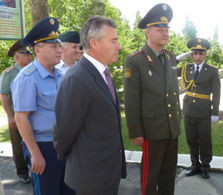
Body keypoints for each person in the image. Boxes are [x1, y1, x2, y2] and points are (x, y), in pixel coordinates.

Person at [53, 16, 126, 195]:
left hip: (107, 173)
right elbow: (63, 132)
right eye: (113, 41)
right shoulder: (77, 78)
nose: (119, 46)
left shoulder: (102, 73)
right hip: (91, 177)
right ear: (94, 43)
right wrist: (74, 163)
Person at [11, 17, 74, 195]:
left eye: (59, 45)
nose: (59, 49)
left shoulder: (60, 75)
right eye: (54, 46)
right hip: (43, 146)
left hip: (64, 145)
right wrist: (35, 153)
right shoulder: (27, 78)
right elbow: (21, 117)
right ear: (38, 49)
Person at [123, 3, 181, 195]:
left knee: (168, 174)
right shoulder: (135, 60)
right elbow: (131, 99)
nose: (165, 33)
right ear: (148, 31)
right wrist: (135, 131)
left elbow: (172, 93)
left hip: (171, 127)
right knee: (150, 176)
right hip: (151, 129)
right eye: (160, 29)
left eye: (167, 29)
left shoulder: (171, 58)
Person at [178, 38, 220, 179]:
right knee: (191, 139)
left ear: (205, 54)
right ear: (191, 54)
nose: (197, 56)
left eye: (200, 53)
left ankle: (205, 166)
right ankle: (195, 165)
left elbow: (217, 93)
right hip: (189, 109)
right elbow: (169, 67)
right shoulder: (186, 68)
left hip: (204, 111)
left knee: (205, 140)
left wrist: (215, 112)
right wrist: (177, 59)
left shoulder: (212, 71)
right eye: (195, 53)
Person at [0, 39, 32, 184]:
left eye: (30, 53)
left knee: (34, 142)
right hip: (17, 115)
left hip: (32, 114)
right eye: (26, 54)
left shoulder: (33, 70)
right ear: (17, 56)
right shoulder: (9, 73)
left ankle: (35, 169)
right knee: (18, 145)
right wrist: (10, 116)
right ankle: (22, 172)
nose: (30, 56)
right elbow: (4, 95)